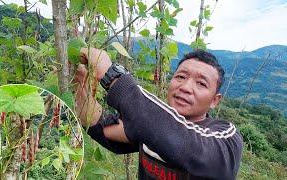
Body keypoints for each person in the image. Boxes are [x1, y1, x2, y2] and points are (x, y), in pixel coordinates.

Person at [74, 48, 243, 180]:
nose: (185, 87)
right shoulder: (151, 125)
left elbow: (187, 144)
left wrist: (112, 75)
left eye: (201, 83)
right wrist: (79, 85)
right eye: (181, 77)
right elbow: (99, 126)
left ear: (215, 100)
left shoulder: (226, 139)